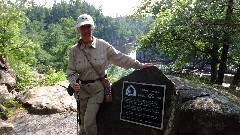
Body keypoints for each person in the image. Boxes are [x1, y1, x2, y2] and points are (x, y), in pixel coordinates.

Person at [66, 13, 152, 135]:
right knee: (82, 124)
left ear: (93, 27)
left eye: (88, 26)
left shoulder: (103, 46)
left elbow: (120, 58)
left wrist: (140, 65)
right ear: (79, 30)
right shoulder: (74, 51)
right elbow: (70, 71)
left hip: (97, 89)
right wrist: (73, 82)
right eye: (83, 27)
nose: (86, 30)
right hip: (81, 91)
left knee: (88, 122)